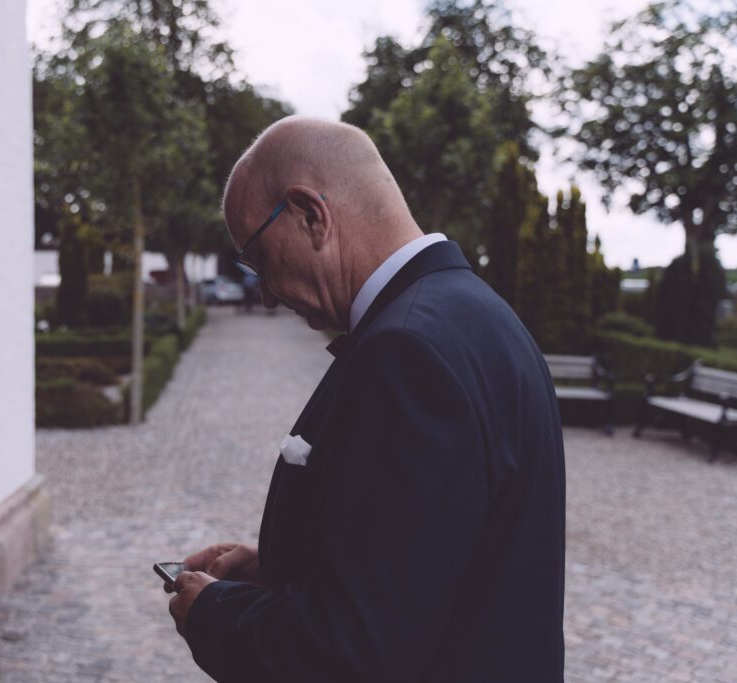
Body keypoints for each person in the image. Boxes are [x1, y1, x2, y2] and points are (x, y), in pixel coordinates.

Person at [165, 116, 566, 682]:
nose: (264, 294)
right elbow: (427, 567)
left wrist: (213, 614)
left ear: (310, 214)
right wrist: (278, 571)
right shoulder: (480, 314)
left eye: (257, 259)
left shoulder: (404, 353)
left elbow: (353, 653)